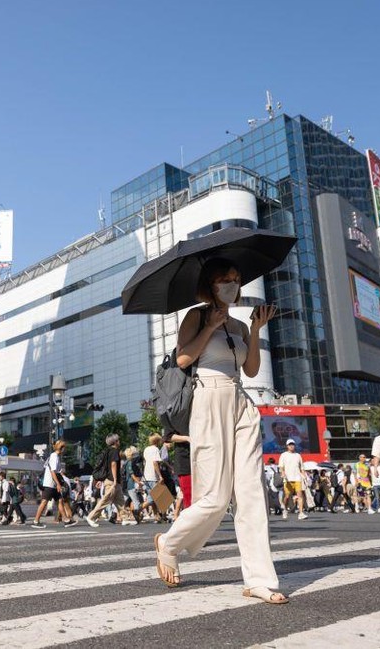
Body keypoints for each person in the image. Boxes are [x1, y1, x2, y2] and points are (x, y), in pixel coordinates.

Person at [153, 258, 286, 604]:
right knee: (213, 497)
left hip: (241, 400)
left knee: (252, 494)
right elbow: (183, 359)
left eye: (236, 277)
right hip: (208, 399)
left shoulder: (240, 325)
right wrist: (210, 326)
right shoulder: (196, 316)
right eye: (224, 278)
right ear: (210, 285)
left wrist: (256, 330)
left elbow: (253, 369)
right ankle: (170, 543)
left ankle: (259, 580)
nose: (232, 282)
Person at [85, 434, 130, 527]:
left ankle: (125, 518)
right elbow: (113, 465)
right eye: (118, 440)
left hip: (112, 480)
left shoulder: (108, 451)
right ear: (115, 442)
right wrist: (115, 479)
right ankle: (91, 517)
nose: (119, 441)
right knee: (105, 500)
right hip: (111, 480)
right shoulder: (114, 451)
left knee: (120, 500)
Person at [32, 440, 78, 529]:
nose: (65, 449)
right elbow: (53, 472)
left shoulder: (56, 456)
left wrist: (63, 482)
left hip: (53, 484)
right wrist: (58, 484)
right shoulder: (54, 456)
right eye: (64, 447)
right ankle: (36, 521)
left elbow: (58, 471)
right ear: (61, 448)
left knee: (60, 500)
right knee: (44, 502)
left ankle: (66, 520)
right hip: (49, 484)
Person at [278, 439, 306, 520]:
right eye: (290, 444)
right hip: (288, 479)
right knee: (287, 496)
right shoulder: (283, 455)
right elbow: (281, 466)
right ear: (287, 446)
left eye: (293, 444)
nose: (291, 446)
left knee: (300, 495)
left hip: (297, 478)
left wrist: (304, 475)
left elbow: (302, 467)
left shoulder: (298, 455)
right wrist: (283, 473)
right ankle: (285, 510)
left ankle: (301, 513)